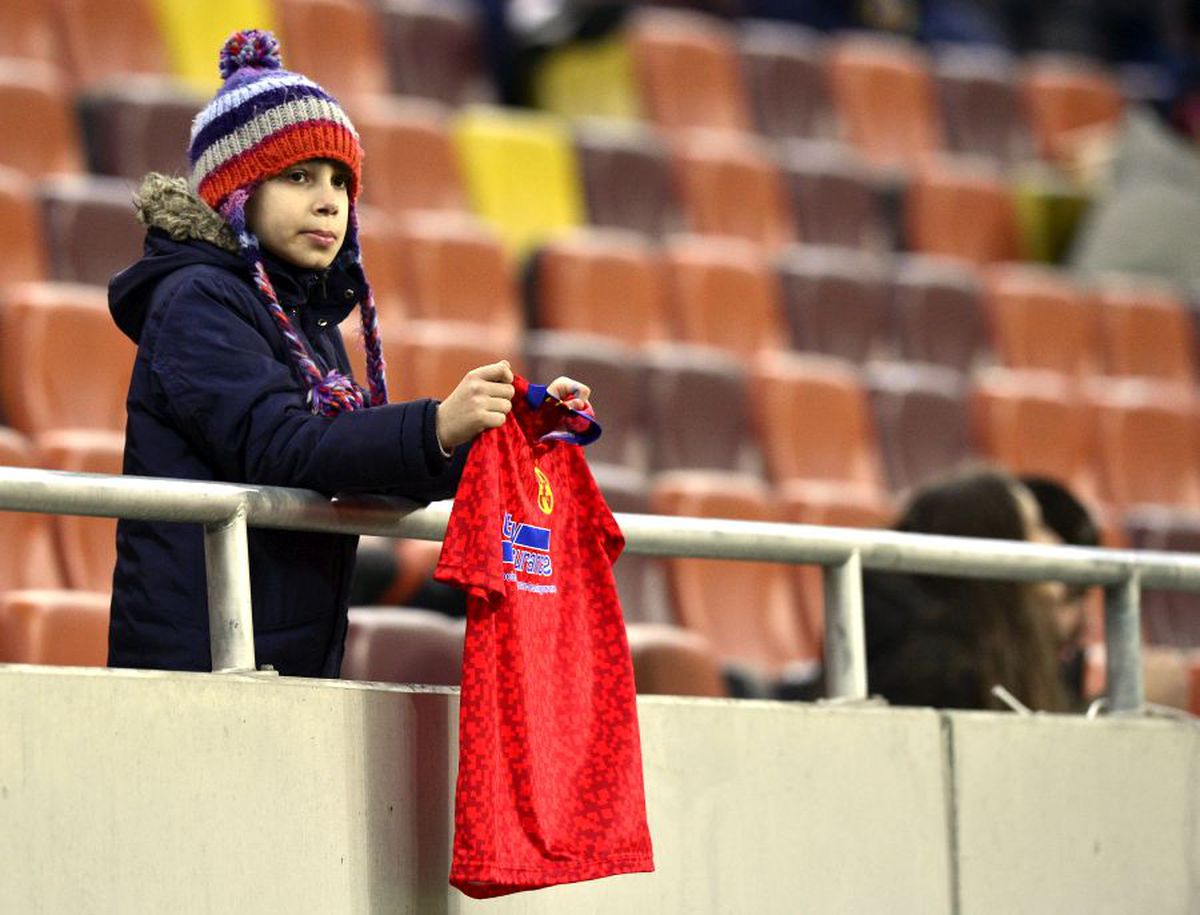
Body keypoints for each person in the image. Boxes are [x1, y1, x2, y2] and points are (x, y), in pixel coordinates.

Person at [107, 30, 591, 677]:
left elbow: (356, 468)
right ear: (238, 194)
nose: (328, 198)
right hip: (199, 660)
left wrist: (498, 434)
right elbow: (285, 446)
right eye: (299, 175)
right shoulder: (196, 300)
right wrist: (435, 423)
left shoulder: (305, 312)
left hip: (277, 649)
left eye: (340, 179)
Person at [863, 465, 1070, 712]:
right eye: (1033, 527)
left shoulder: (1005, 651)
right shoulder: (935, 674)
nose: (1054, 542)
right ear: (995, 545)